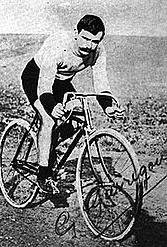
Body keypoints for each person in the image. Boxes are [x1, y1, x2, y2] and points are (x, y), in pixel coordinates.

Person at [21, 14, 122, 193]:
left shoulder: (98, 51)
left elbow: (101, 81)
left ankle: (48, 144)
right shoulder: (58, 45)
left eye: (95, 41)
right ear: (76, 32)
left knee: (78, 119)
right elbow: (44, 87)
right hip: (36, 77)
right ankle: (43, 175)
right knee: (49, 119)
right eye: (85, 39)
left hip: (61, 82)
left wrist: (108, 106)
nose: (89, 46)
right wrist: (52, 106)